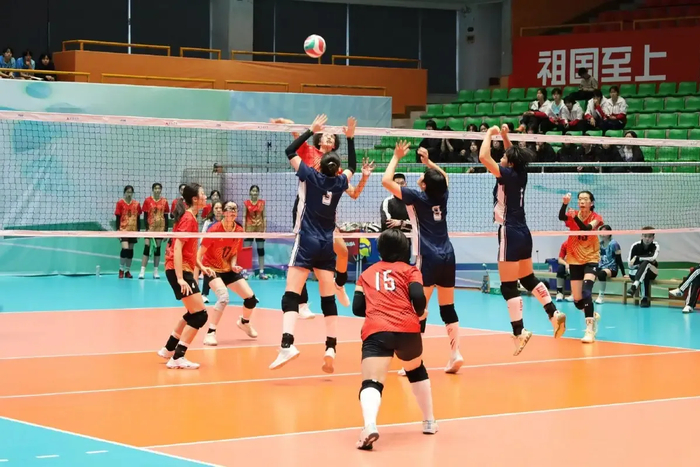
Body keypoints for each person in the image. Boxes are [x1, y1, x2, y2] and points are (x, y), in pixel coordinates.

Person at [269, 114, 359, 372]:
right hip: (327, 242)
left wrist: (310, 130)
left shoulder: (309, 175)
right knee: (328, 297)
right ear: (337, 169)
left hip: (307, 238)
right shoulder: (340, 182)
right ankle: (331, 346)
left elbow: (289, 150)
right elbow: (352, 166)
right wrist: (350, 138)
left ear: (320, 165)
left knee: (291, 293)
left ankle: (287, 345)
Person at [271, 116, 374, 313]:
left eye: (332, 136)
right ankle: (302, 303)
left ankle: (339, 285)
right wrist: (285, 121)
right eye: (325, 134)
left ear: (334, 144)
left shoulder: (336, 167)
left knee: (342, 251)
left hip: (326, 218)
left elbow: (353, 193)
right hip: (306, 211)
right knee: (302, 260)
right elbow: (295, 134)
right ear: (318, 139)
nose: (328, 137)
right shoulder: (308, 151)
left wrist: (364, 177)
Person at [480, 126, 566, 355]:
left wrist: (489, 134)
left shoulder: (506, 174)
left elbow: (483, 157)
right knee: (527, 278)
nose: (501, 157)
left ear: (509, 163)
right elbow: (513, 155)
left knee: (508, 286)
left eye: (503, 157)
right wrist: (505, 137)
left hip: (508, 231)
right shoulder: (521, 173)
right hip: (524, 232)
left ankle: (519, 331)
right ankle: (553, 313)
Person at [382, 141, 463, 373]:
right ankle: (455, 353)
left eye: (423, 176)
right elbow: (444, 177)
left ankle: (413, 360)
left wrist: (397, 157)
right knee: (447, 307)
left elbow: (386, 181)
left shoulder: (416, 198)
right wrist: (428, 163)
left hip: (427, 257)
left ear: (425, 185)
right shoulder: (442, 196)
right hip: (448, 255)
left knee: (417, 308)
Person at [352, 229, 436, 451]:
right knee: (416, 370)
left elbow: (357, 308)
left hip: (377, 331)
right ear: (404, 249)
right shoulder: (411, 270)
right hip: (408, 329)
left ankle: (369, 426)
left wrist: (378, 306)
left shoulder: (366, 274)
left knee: (372, 382)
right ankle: (429, 421)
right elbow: (418, 297)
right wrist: (420, 312)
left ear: (380, 249)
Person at [157, 184, 209, 369]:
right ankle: (178, 357)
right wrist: (180, 278)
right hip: (178, 271)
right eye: (203, 194)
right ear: (195, 199)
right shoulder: (188, 218)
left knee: (193, 313)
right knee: (200, 316)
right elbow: (177, 248)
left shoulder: (191, 217)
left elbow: (188, 250)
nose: (205, 197)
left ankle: (168, 349)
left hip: (181, 268)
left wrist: (201, 266)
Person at [198, 201, 259, 346]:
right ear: (224, 212)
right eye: (229, 208)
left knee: (251, 299)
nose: (232, 211)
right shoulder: (214, 230)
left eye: (235, 209)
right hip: (212, 269)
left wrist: (233, 265)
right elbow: (198, 255)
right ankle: (210, 333)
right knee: (224, 297)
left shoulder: (239, 231)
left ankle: (244, 322)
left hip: (228, 270)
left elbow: (233, 252)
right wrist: (203, 269)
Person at [558, 190, 603, 343]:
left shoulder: (596, 218)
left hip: (591, 258)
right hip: (574, 259)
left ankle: (589, 329)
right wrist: (564, 204)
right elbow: (561, 217)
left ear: (591, 202)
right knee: (577, 300)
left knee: (586, 292)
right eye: (580, 199)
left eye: (585, 199)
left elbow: (586, 228)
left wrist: (575, 217)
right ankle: (591, 314)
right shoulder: (573, 214)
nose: (582, 201)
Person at [139, 183, 169, 280]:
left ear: (161, 190)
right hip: (150, 229)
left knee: (157, 249)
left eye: (159, 188)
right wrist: (147, 228)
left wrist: (165, 231)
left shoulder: (164, 201)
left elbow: (166, 217)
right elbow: (145, 216)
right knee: (147, 247)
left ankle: (155, 271)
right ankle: (142, 271)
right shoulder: (147, 201)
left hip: (160, 229)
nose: (157, 190)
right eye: (155, 188)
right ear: (153, 190)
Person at [626, 227, 660, 308]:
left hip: (652, 272)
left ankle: (635, 285)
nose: (647, 239)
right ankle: (644, 298)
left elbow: (652, 257)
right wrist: (644, 260)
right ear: (641, 236)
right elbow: (630, 264)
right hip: (635, 272)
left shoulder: (655, 245)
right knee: (645, 270)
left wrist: (637, 258)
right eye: (645, 236)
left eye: (649, 236)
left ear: (653, 237)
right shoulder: (635, 246)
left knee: (646, 264)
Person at [114, 185, 142, 279]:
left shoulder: (136, 204)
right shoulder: (120, 203)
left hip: (133, 230)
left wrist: (138, 231)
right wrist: (117, 230)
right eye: (127, 192)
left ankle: (127, 270)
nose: (129, 194)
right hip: (123, 230)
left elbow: (138, 218)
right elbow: (118, 217)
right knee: (125, 249)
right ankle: (121, 269)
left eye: (130, 192)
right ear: (124, 193)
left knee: (130, 250)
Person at [596, 225, 625, 304]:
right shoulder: (599, 244)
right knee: (588, 272)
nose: (602, 234)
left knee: (601, 274)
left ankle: (601, 296)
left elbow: (619, 260)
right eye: (601, 232)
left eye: (605, 232)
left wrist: (624, 274)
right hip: (601, 267)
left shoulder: (614, 244)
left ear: (609, 233)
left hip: (612, 269)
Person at [201, 201, 223, 303]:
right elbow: (203, 236)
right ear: (213, 210)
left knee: (228, 273)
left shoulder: (227, 222)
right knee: (208, 272)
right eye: (216, 208)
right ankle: (204, 294)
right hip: (210, 252)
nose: (218, 210)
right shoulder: (208, 222)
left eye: (220, 208)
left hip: (223, 253)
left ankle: (249, 296)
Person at [244, 185, 268, 280]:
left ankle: (262, 272)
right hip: (249, 229)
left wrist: (264, 231)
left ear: (258, 193)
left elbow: (264, 217)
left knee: (261, 251)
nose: (254, 192)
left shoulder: (262, 203)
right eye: (253, 191)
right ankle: (244, 272)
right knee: (246, 251)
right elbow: (244, 217)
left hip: (259, 229)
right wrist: (243, 231)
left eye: (256, 191)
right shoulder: (246, 203)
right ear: (250, 192)